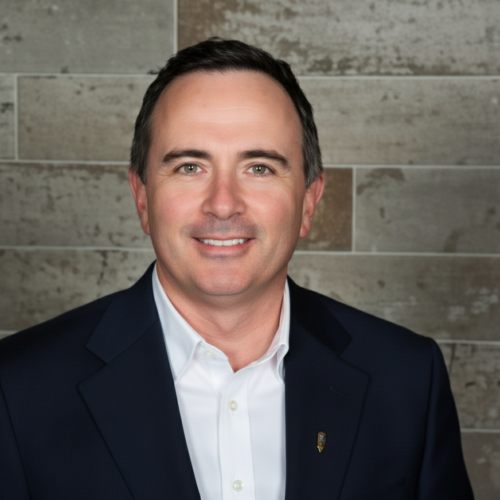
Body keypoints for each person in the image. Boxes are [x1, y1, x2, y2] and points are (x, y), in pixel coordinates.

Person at [0, 38, 473, 500]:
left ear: (309, 201)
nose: (223, 204)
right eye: (190, 167)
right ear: (142, 197)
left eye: (259, 167)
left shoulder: (408, 379)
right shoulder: (17, 388)